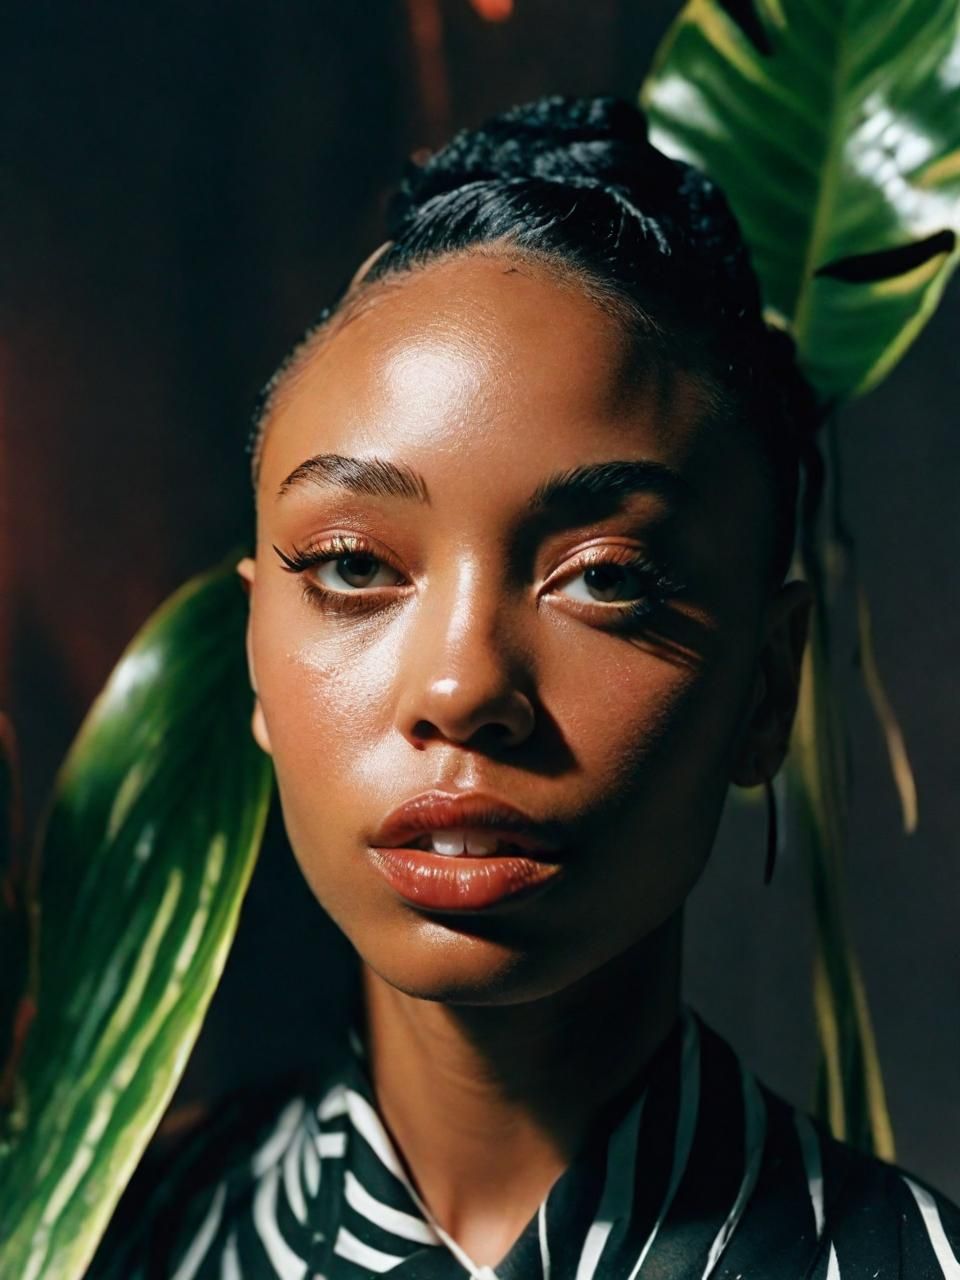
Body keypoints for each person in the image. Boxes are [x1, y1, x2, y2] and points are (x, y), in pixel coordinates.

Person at [88, 94, 960, 1279]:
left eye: (604, 578)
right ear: (253, 646)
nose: (461, 684)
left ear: (767, 687)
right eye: (352, 565)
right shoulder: (109, 1242)